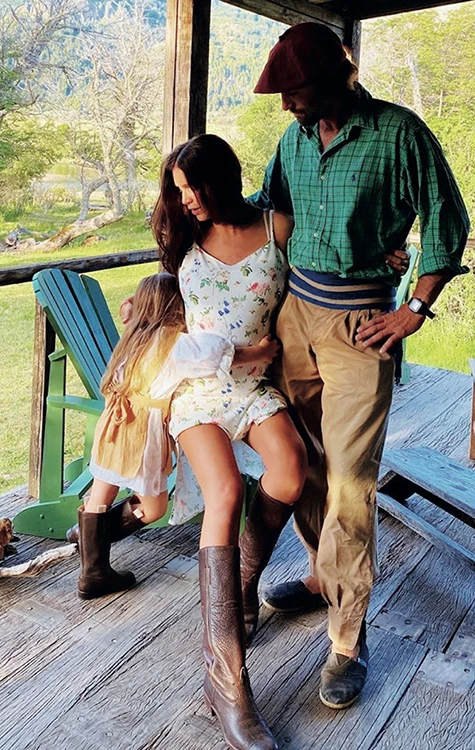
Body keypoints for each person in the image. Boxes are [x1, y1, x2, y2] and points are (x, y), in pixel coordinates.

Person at [248, 22, 470, 711]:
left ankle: (347, 639)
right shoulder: (292, 140)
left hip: (359, 328)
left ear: (332, 78)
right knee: (307, 465)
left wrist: (415, 308)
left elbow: (446, 219)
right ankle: (324, 578)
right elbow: (269, 209)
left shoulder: (398, 134)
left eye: (295, 90)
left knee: (349, 479)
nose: (287, 104)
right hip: (293, 319)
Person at [151, 133, 310, 750]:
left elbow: (326, 264)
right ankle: (228, 682)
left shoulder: (277, 229)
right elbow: (182, 334)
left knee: (290, 470)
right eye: (179, 192)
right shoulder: (186, 240)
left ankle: (243, 582)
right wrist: (243, 350)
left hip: (254, 390)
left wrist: (391, 262)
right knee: (223, 494)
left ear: (224, 178)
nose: (187, 201)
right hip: (197, 389)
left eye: (194, 188)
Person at [70, 271, 278, 602]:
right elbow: (219, 354)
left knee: (99, 496)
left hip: (113, 424)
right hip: (142, 432)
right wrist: (261, 353)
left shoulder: (133, 337)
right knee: (153, 508)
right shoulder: (175, 344)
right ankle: (92, 561)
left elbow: (130, 310)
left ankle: (90, 557)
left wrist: (132, 308)